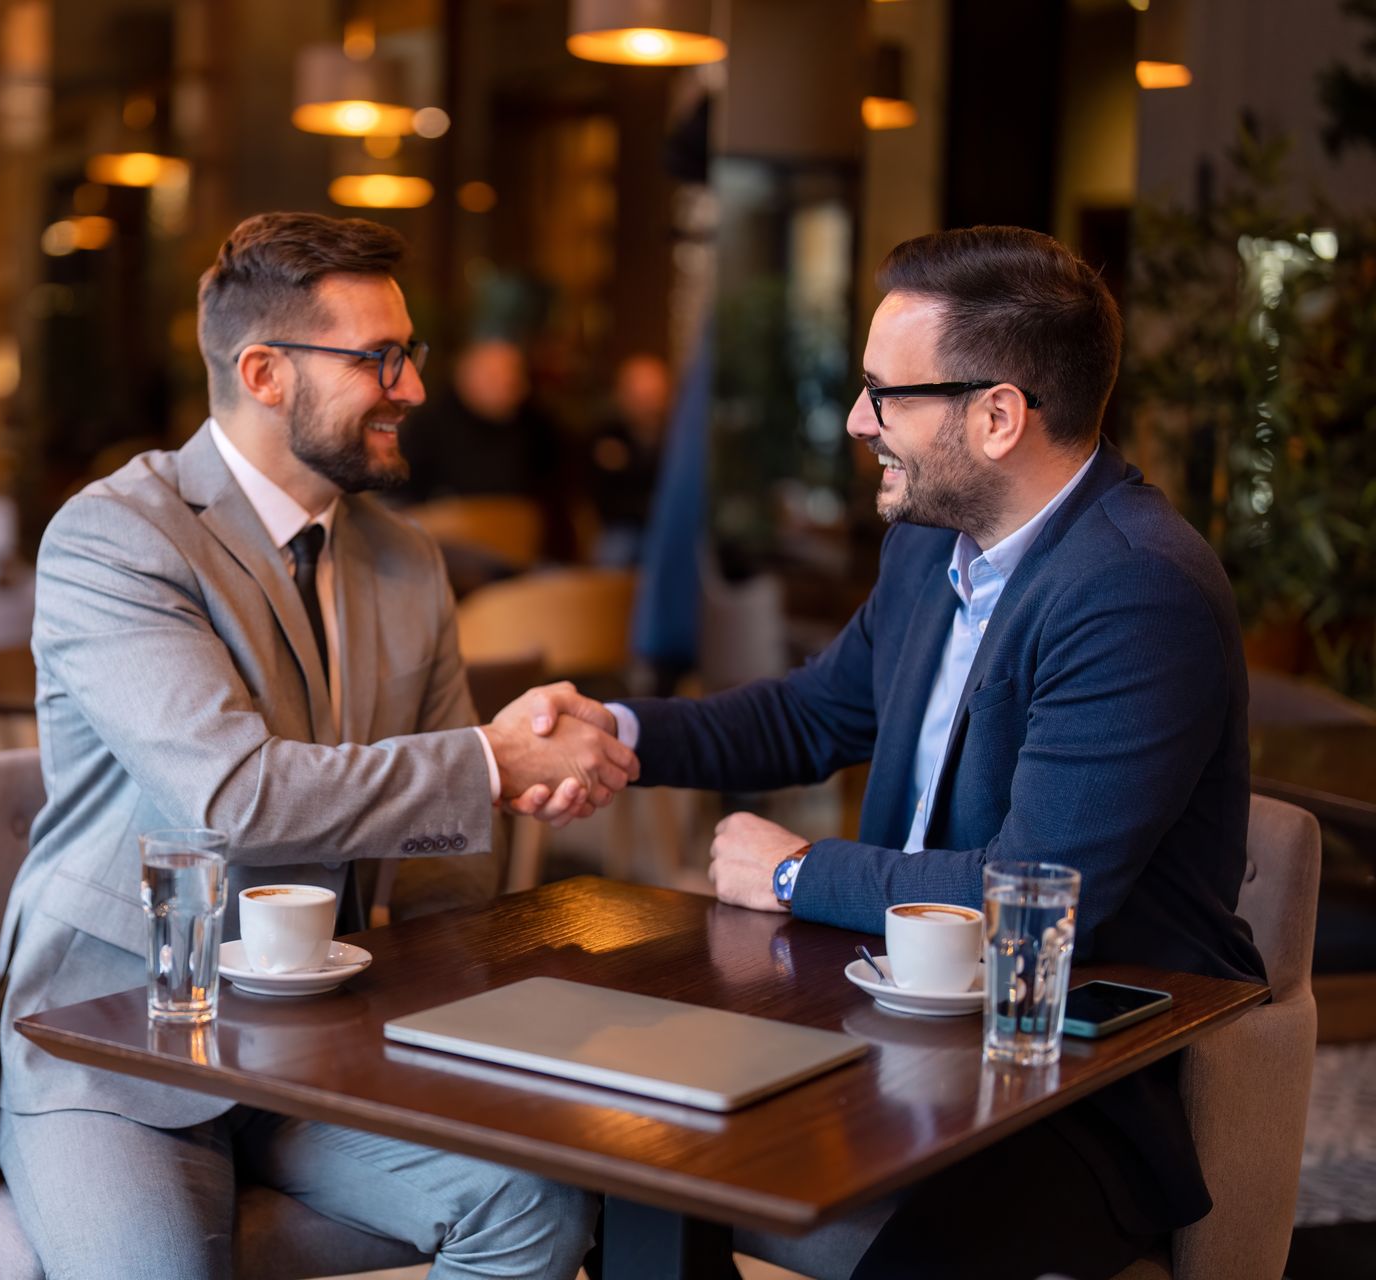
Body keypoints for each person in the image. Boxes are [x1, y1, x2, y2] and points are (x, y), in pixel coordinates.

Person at [517, 226, 1267, 1278]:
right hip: (880, 1028)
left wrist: (794, 870)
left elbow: (1040, 897)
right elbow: (813, 713)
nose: (855, 419)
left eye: (885, 393)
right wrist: (619, 729)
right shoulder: (928, 545)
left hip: (1066, 1082)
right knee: (622, 1153)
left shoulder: (1137, 588)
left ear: (999, 415)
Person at [0, 212, 632, 1280]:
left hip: (326, 1047)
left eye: (411, 354)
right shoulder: (118, 536)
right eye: (380, 358)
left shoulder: (406, 560)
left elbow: (447, 850)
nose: (414, 387)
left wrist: (471, 995)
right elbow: (232, 794)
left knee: (538, 1206)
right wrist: (489, 762)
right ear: (263, 372)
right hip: (121, 1041)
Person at [394, 336, 566, 509]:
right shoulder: (428, 427)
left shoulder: (537, 427)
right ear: (465, 377)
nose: (508, 385)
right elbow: (406, 498)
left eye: (513, 377)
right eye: (494, 377)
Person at [587, 352, 670, 567]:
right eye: (639, 394)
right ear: (623, 394)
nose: (647, 402)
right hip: (623, 527)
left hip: (670, 526)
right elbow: (605, 494)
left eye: (653, 393)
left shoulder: (678, 439)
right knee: (614, 551)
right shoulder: (605, 436)